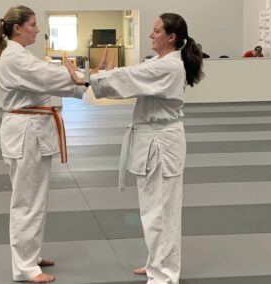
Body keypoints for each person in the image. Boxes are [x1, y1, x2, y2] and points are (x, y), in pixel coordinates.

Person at [65, 13, 203, 284]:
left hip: (162, 143)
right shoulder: (161, 62)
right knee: (153, 210)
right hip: (154, 140)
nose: (151, 35)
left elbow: (131, 76)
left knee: (161, 212)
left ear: (171, 37)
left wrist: (88, 77)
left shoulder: (168, 67)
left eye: (156, 31)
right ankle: (157, 264)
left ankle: (163, 275)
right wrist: (98, 75)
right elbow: (133, 76)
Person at [0, 5, 86, 283]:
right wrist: (86, 77)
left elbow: (47, 74)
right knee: (27, 201)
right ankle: (24, 268)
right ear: (17, 27)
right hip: (25, 132)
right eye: (33, 24)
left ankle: (30, 256)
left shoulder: (20, 55)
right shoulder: (15, 58)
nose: (37, 28)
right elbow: (51, 77)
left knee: (35, 198)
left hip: (30, 129)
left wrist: (81, 77)